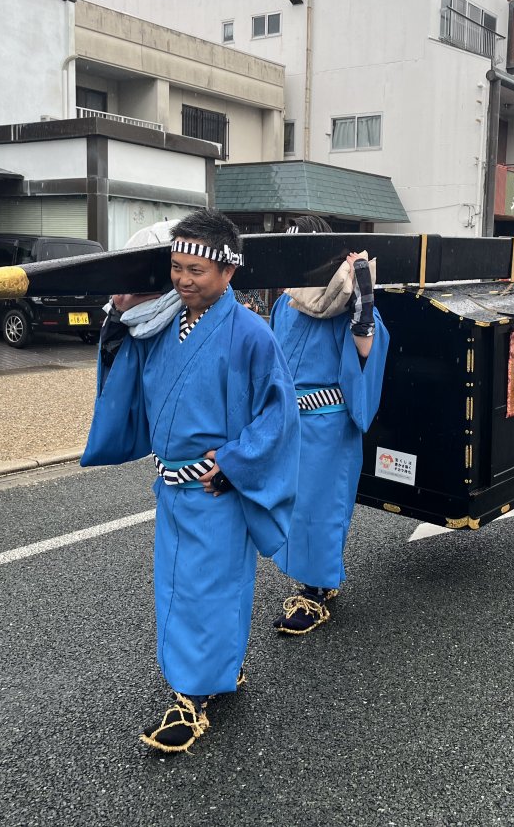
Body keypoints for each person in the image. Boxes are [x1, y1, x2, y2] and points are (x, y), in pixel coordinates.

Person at [81, 209, 300, 754]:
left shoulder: (252, 333)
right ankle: (219, 669)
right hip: (171, 485)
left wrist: (234, 463)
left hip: (215, 486)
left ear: (228, 273)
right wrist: (120, 319)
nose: (183, 279)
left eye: (196, 271)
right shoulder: (161, 326)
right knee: (182, 588)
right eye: (176, 267)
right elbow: (126, 378)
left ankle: (191, 698)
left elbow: (278, 413)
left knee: (204, 589)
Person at [267, 214, 389, 634]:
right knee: (294, 504)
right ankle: (317, 575)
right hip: (290, 420)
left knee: (322, 507)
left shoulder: (349, 297)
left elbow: (368, 351)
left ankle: (317, 591)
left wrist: (363, 311)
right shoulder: (286, 300)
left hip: (328, 421)